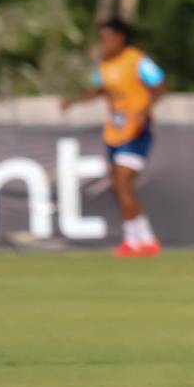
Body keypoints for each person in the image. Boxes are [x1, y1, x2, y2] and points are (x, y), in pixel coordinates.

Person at [61, 18, 166, 257]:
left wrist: (143, 112)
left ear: (121, 38)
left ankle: (132, 240)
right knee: (117, 186)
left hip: (136, 131)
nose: (104, 43)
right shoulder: (105, 64)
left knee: (123, 183)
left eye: (108, 38)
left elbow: (159, 86)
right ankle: (145, 239)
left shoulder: (137, 60)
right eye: (102, 38)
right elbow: (100, 90)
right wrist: (74, 101)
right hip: (114, 132)